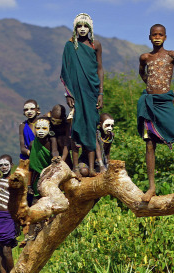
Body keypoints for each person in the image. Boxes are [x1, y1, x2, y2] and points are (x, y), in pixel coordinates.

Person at [137, 24, 174, 202]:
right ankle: (152, 187)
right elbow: (142, 74)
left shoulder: (172, 55)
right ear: (149, 37)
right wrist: (150, 86)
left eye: (160, 34)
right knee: (149, 143)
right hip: (149, 103)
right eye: (154, 34)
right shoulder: (145, 57)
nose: (157, 37)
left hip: (165, 102)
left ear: (165, 37)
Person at [60, 13, 104, 177]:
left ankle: (92, 168)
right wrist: (68, 93)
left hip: (92, 91)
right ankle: (76, 168)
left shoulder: (96, 45)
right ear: (75, 28)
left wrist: (100, 92)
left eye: (86, 26)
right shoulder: (70, 46)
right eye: (80, 26)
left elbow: (100, 69)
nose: (83, 29)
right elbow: (65, 70)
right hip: (76, 93)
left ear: (90, 28)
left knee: (91, 126)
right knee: (76, 128)